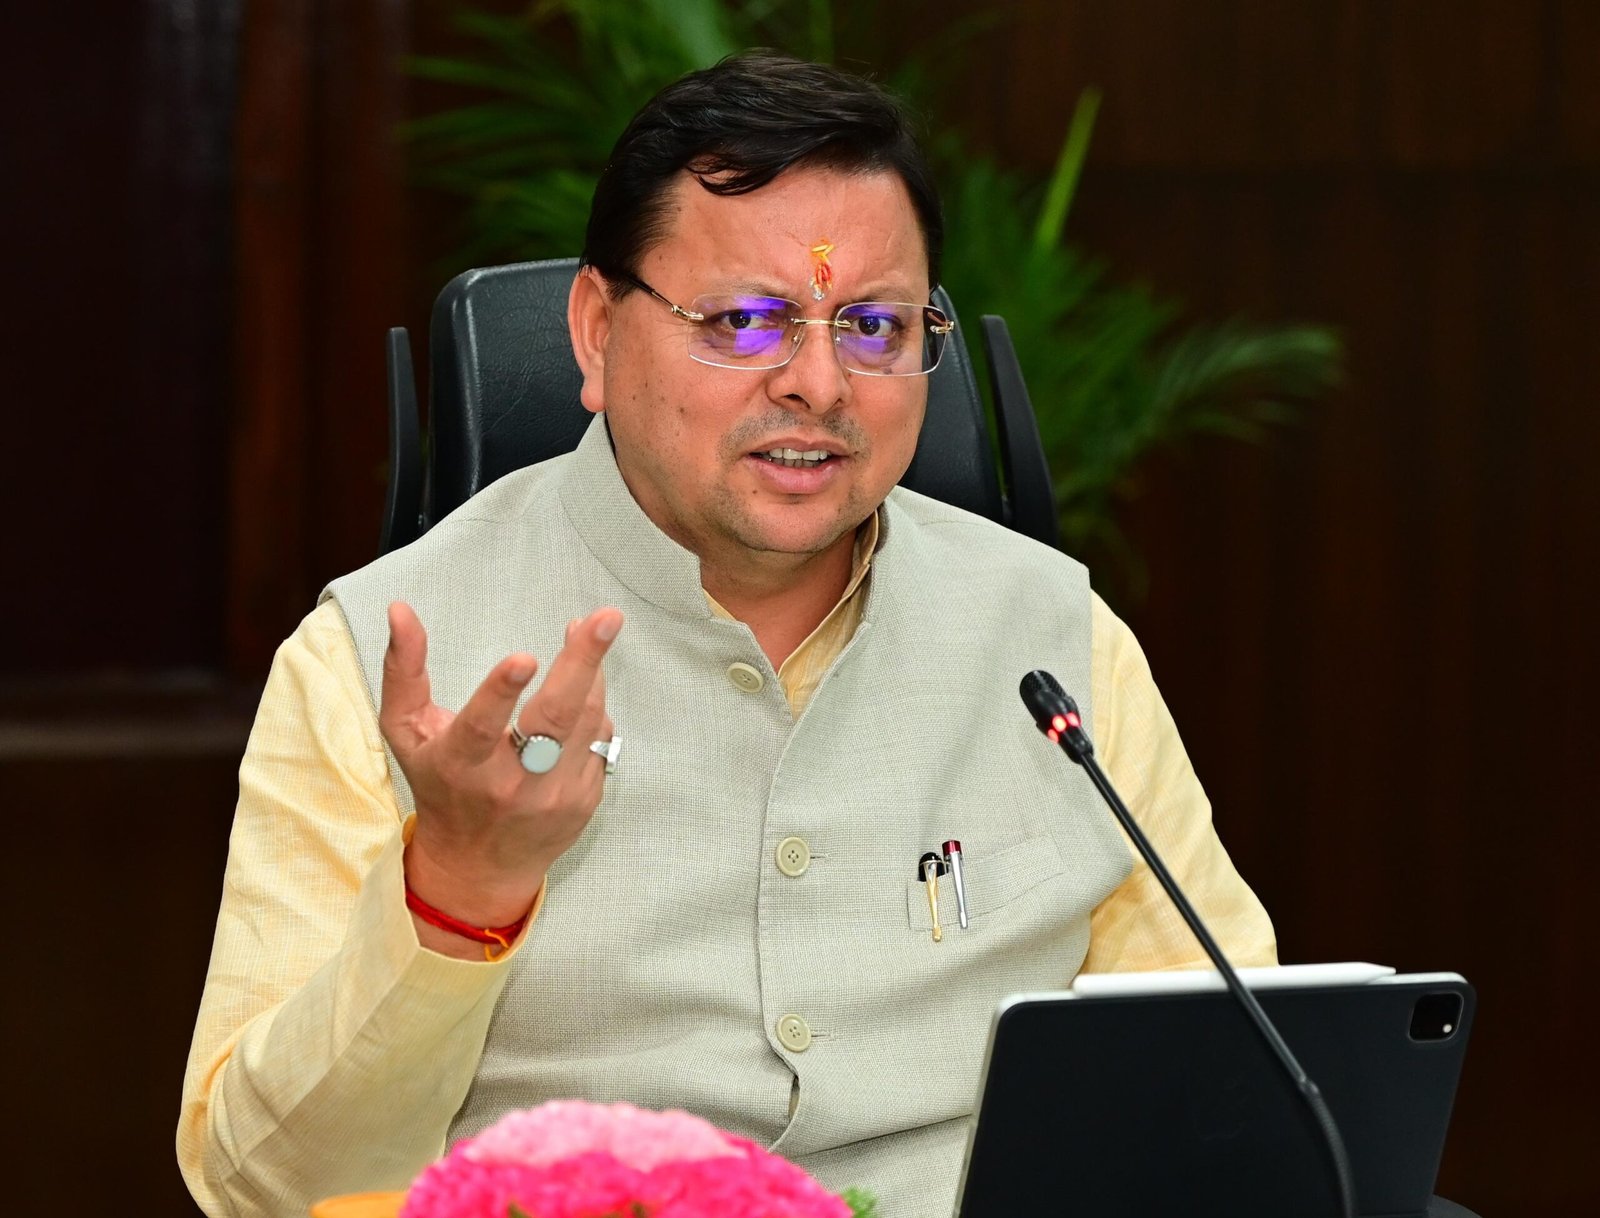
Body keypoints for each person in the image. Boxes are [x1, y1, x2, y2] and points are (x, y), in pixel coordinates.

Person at [179, 51, 1274, 1218]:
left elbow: (1247, 1084)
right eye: (744, 322)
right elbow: (259, 1184)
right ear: (596, 332)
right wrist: (456, 890)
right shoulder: (371, 663)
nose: (819, 384)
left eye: (873, 325)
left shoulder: (1054, 644)